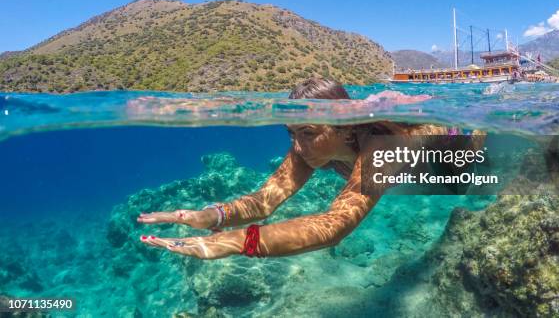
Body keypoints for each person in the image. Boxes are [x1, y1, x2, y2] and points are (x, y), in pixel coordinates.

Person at [138, 78, 480, 259]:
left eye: (308, 133)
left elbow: (335, 226)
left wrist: (234, 242)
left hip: (443, 149)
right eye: (291, 134)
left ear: (345, 127)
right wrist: (209, 216)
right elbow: (264, 202)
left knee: (460, 185)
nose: (298, 147)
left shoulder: (381, 149)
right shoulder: (308, 145)